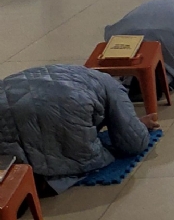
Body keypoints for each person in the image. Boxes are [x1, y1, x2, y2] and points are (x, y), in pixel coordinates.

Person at [0, 65, 157, 194]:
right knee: (87, 155)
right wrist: (141, 125)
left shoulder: (78, 71)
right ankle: (38, 181)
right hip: (50, 109)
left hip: (7, 96)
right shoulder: (116, 89)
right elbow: (134, 143)